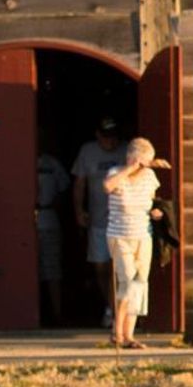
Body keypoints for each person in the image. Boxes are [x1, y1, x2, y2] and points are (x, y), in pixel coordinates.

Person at [101, 137, 161, 349]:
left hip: (143, 235)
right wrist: (130, 169)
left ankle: (128, 335)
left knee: (139, 283)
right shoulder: (115, 174)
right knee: (126, 280)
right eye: (143, 161)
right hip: (120, 236)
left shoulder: (150, 177)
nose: (146, 165)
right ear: (132, 158)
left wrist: (156, 212)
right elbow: (107, 187)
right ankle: (116, 332)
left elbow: (152, 200)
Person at [70, 116, 123, 316]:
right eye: (107, 137)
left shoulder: (127, 150)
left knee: (117, 267)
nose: (111, 141)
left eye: (114, 137)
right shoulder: (87, 152)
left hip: (120, 220)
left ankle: (116, 311)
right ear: (98, 135)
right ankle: (110, 304)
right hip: (97, 220)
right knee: (100, 267)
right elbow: (79, 183)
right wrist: (78, 211)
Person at [32, 144, 70, 327]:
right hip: (24, 223)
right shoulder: (17, 158)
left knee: (52, 268)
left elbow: (64, 188)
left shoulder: (51, 163)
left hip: (48, 219)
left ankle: (57, 314)